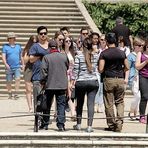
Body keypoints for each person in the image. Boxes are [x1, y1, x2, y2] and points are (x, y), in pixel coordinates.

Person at [98, 32, 129, 132]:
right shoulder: (121, 52)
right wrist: (121, 72)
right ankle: (119, 124)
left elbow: (101, 69)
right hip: (120, 79)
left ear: (106, 41)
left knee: (109, 103)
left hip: (109, 79)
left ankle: (111, 125)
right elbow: (127, 67)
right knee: (120, 102)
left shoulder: (104, 53)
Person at [71, 32, 100, 133]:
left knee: (80, 103)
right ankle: (89, 126)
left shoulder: (79, 56)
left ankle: (79, 124)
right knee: (90, 104)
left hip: (81, 82)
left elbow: (75, 70)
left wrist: (72, 82)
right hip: (93, 81)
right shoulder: (96, 56)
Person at [40, 40, 69, 131]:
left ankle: (45, 124)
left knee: (47, 104)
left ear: (49, 48)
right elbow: (67, 67)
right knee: (61, 104)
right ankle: (61, 125)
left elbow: (43, 71)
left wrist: (43, 82)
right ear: (57, 47)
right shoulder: (64, 56)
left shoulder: (46, 57)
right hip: (61, 84)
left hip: (50, 84)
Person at [29, 26, 50, 130]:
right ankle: (37, 121)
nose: (43, 35)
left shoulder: (50, 45)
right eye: (41, 33)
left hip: (49, 78)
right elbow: (31, 59)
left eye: (45, 33)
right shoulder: (35, 46)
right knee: (38, 101)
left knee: (47, 101)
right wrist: (40, 55)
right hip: (37, 77)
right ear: (38, 34)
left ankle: (45, 122)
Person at [2, 32, 24, 99]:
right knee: (9, 81)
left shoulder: (18, 46)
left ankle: (16, 94)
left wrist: (23, 64)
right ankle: (10, 93)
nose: (13, 39)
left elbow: (21, 56)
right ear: (8, 39)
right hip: (9, 67)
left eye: (14, 38)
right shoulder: (5, 47)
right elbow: (3, 56)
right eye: (11, 38)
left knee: (17, 79)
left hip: (17, 66)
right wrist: (6, 64)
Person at [128, 37, 145, 120]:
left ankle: (135, 112)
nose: (142, 47)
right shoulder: (130, 56)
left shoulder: (142, 55)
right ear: (135, 46)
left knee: (140, 96)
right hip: (133, 78)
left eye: (143, 45)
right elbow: (127, 67)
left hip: (141, 77)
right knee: (137, 96)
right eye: (140, 45)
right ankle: (131, 111)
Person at [22, 35, 38, 113]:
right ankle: (30, 107)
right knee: (28, 89)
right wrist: (28, 52)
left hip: (37, 68)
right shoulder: (27, 49)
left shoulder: (39, 48)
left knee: (37, 88)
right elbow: (25, 61)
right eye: (33, 42)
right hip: (28, 69)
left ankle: (37, 105)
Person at [62, 36, 76, 120]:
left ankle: (73, 112)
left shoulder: (72, 52)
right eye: (66, 41)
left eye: (69, 41)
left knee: (70, 94)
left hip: (72, 75)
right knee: (68, 94)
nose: (68, 42)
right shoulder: (62, 52)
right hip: (64, 74)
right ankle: (73, 112)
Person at [135, 40, 148, 124]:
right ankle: (142, 116)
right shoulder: (141, 54)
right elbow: (137, 66)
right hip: (143, 76)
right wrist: (146, 62)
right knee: (145, 96)